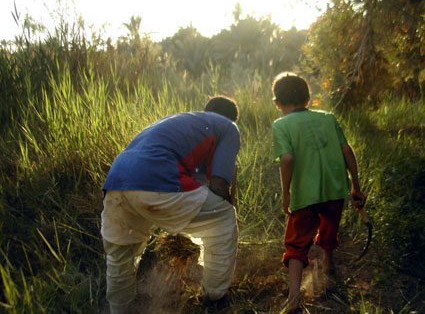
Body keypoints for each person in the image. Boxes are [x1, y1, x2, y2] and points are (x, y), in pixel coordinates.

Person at [101, 96, 240, 314]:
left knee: (121, 254)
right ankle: (215, 296)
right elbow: (219, 185)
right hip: (157, 179)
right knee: (222, 218)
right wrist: (228, 206)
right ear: (233, 119)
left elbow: (198, 182)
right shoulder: (229, 127)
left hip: (116, 183)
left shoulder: (181, 122)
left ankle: (119, 308)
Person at [271, 72, 366, 313]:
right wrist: (356, 186)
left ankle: (293, 299)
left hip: (305, 196)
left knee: (296, 244)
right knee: (329, 229)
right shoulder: (328, 118)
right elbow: (347, 151)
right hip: (336, 190)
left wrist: (286, 194)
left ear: (277, 102)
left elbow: (287, 158)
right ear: (308, 98)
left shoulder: (281, 125)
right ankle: (328, 267)